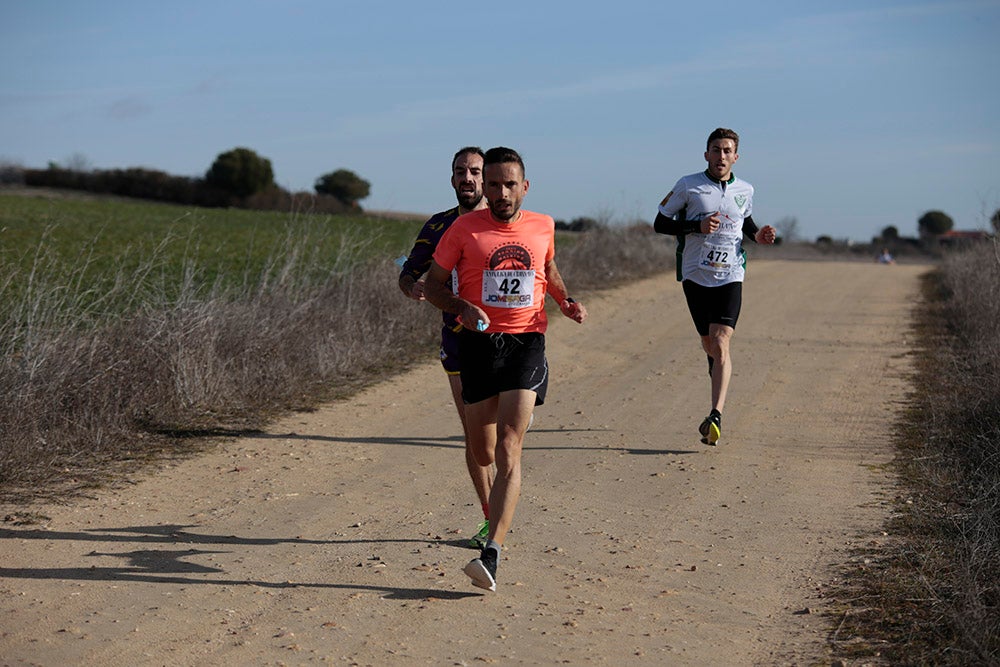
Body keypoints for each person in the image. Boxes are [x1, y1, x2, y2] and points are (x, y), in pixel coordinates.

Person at [423, 146, 587, 592]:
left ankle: (491, 552)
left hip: (527, 342)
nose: (500, 192)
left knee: (510, 447)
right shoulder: (463, 229)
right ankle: (492, 519)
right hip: (476, 346)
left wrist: (564, 301)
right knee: (483, 451)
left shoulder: (543, 225)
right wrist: (460, 305)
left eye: (509, 184)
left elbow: (548, 267)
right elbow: (433, 286)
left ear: (524, 187)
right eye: (492, 184)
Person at [653, 128, 776, 446]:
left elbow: (745, 222)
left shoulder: (746, 189)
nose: (721, 156)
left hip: (731, 275)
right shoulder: (688, 185)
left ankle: (715, 416)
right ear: (706, 154)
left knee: (721, 343)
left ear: (736, 157)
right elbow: (661, 222)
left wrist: (757, 235)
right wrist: (695, 225)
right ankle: (714, 366)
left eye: (727, 151)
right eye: (716, 150)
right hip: (695, 275)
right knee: (710, 346)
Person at [398, 147, 494, 549]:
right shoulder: (438, 226)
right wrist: (413, 286)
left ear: (486, 178)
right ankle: (492, 519)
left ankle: (502, 507)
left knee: (503, 438)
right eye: (461, 172)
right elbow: (408, 273)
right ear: (452, 179)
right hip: (456, 342)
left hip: (506, 343)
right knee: (475, 440)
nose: (467, 179)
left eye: (475, 171)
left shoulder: (505, 222)